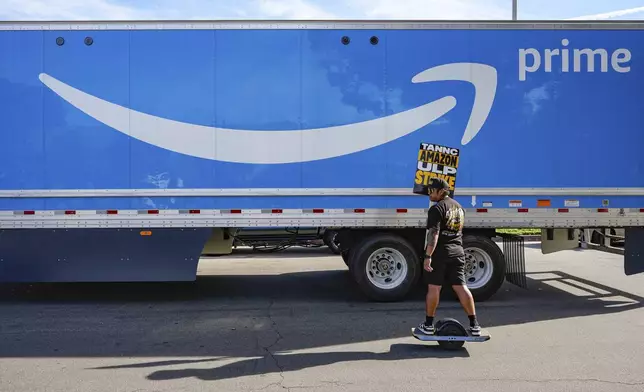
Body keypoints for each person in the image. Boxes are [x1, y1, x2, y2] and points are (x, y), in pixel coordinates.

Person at [416, 177, 481, 336]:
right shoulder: (459, 208)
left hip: (441, 254)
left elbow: (434, 234)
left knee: (434, 287)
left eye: (433, 190)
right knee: (461, 287)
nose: (429, 193)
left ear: (442, 191)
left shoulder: (437, 209)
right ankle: (474, 325)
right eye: (429, 190)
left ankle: (429, 325)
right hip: (458, 252)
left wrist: (428, 256)